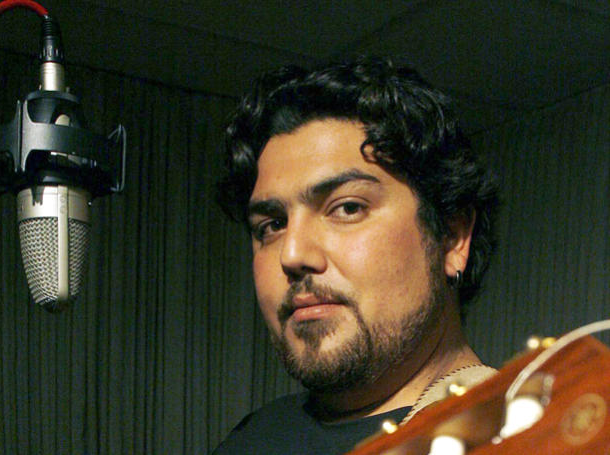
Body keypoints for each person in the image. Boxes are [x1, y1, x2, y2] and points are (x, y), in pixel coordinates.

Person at [214, 56, 499, 454]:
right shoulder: (254, 435)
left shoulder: (524, 435)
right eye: (272, 224)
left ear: (452, 238)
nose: (292, 254)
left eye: (347, 208)